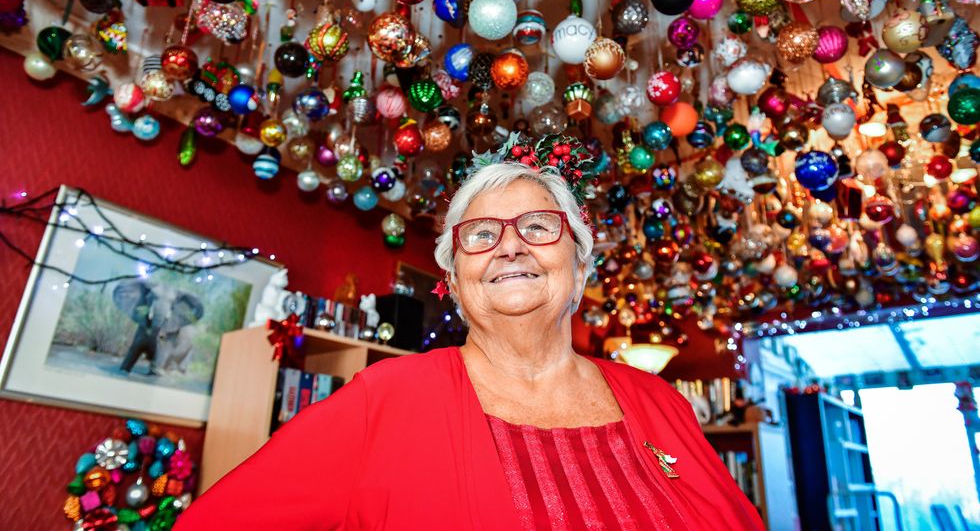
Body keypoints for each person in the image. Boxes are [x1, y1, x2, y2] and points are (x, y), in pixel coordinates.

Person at [175, 144, 764, 530]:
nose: (511, 246)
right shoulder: (386, 398)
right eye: (480, 235)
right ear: (455, 283)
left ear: (581, 265)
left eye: (538, 226)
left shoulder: (660, 402)